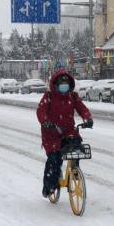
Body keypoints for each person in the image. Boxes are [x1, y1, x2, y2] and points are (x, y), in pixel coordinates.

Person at [36, 69, 93, 198]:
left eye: (66, 82)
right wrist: (45, 122)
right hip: (51, 134)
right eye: (61, 82)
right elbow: (41, 111)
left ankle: (74, 170)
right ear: (55, 84)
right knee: (54, 159)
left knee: (76, 145)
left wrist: (87, 118)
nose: (64, 85)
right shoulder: (48, 97)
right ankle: (49, 185)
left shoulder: (72, 97)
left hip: (68, 131)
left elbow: (82, 109)